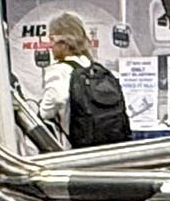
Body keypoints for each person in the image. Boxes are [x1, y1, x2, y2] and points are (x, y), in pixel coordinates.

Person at [37, 14, 130, 147]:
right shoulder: (95, 67)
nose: (50, 45)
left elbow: (52, 105)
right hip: (110, 145)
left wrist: (43, 110)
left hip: (78, 148)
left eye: (51, 39)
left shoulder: (58, 71)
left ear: (64, 42)